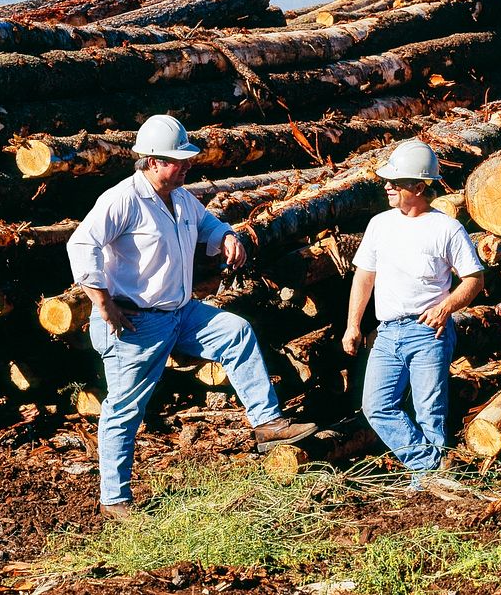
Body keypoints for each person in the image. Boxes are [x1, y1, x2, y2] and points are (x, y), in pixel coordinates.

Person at [67, 113, 317, 518]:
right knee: (124, 408)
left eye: (186, 159)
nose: (185, 166)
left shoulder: (182, 197)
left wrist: (227, 237)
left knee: (235, 332)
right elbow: (82, 245)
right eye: (176, 160)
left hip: (181, 313)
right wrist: (103, 303)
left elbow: (208, 225)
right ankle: (114, 499)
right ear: (151, 161)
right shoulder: (123, 199)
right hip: (136, 322)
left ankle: (267, 423)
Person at [342, 139, 484, 482]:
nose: (387, 187)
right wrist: (353, 325)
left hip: (428, 331)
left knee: (429, 412)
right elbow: (365, 275)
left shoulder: (446, 228)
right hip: (388, 332)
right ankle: (430, 468)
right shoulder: (380, 224)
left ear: (419, 187)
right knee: (376, 406)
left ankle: (427, 487)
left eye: (397, 182)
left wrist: (447, 306)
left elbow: (474, 278)